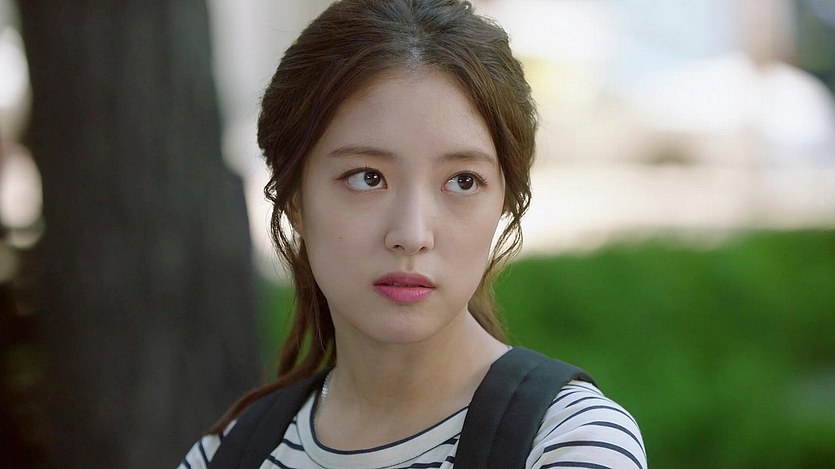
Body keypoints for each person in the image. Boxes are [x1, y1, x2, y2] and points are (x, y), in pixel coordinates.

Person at [180, 0, 646, 467]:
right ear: (295, 200)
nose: (411, 234)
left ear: (505, 200)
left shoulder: (568, 442)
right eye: (367, 178)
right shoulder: (227, 454)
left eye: (462, 181)